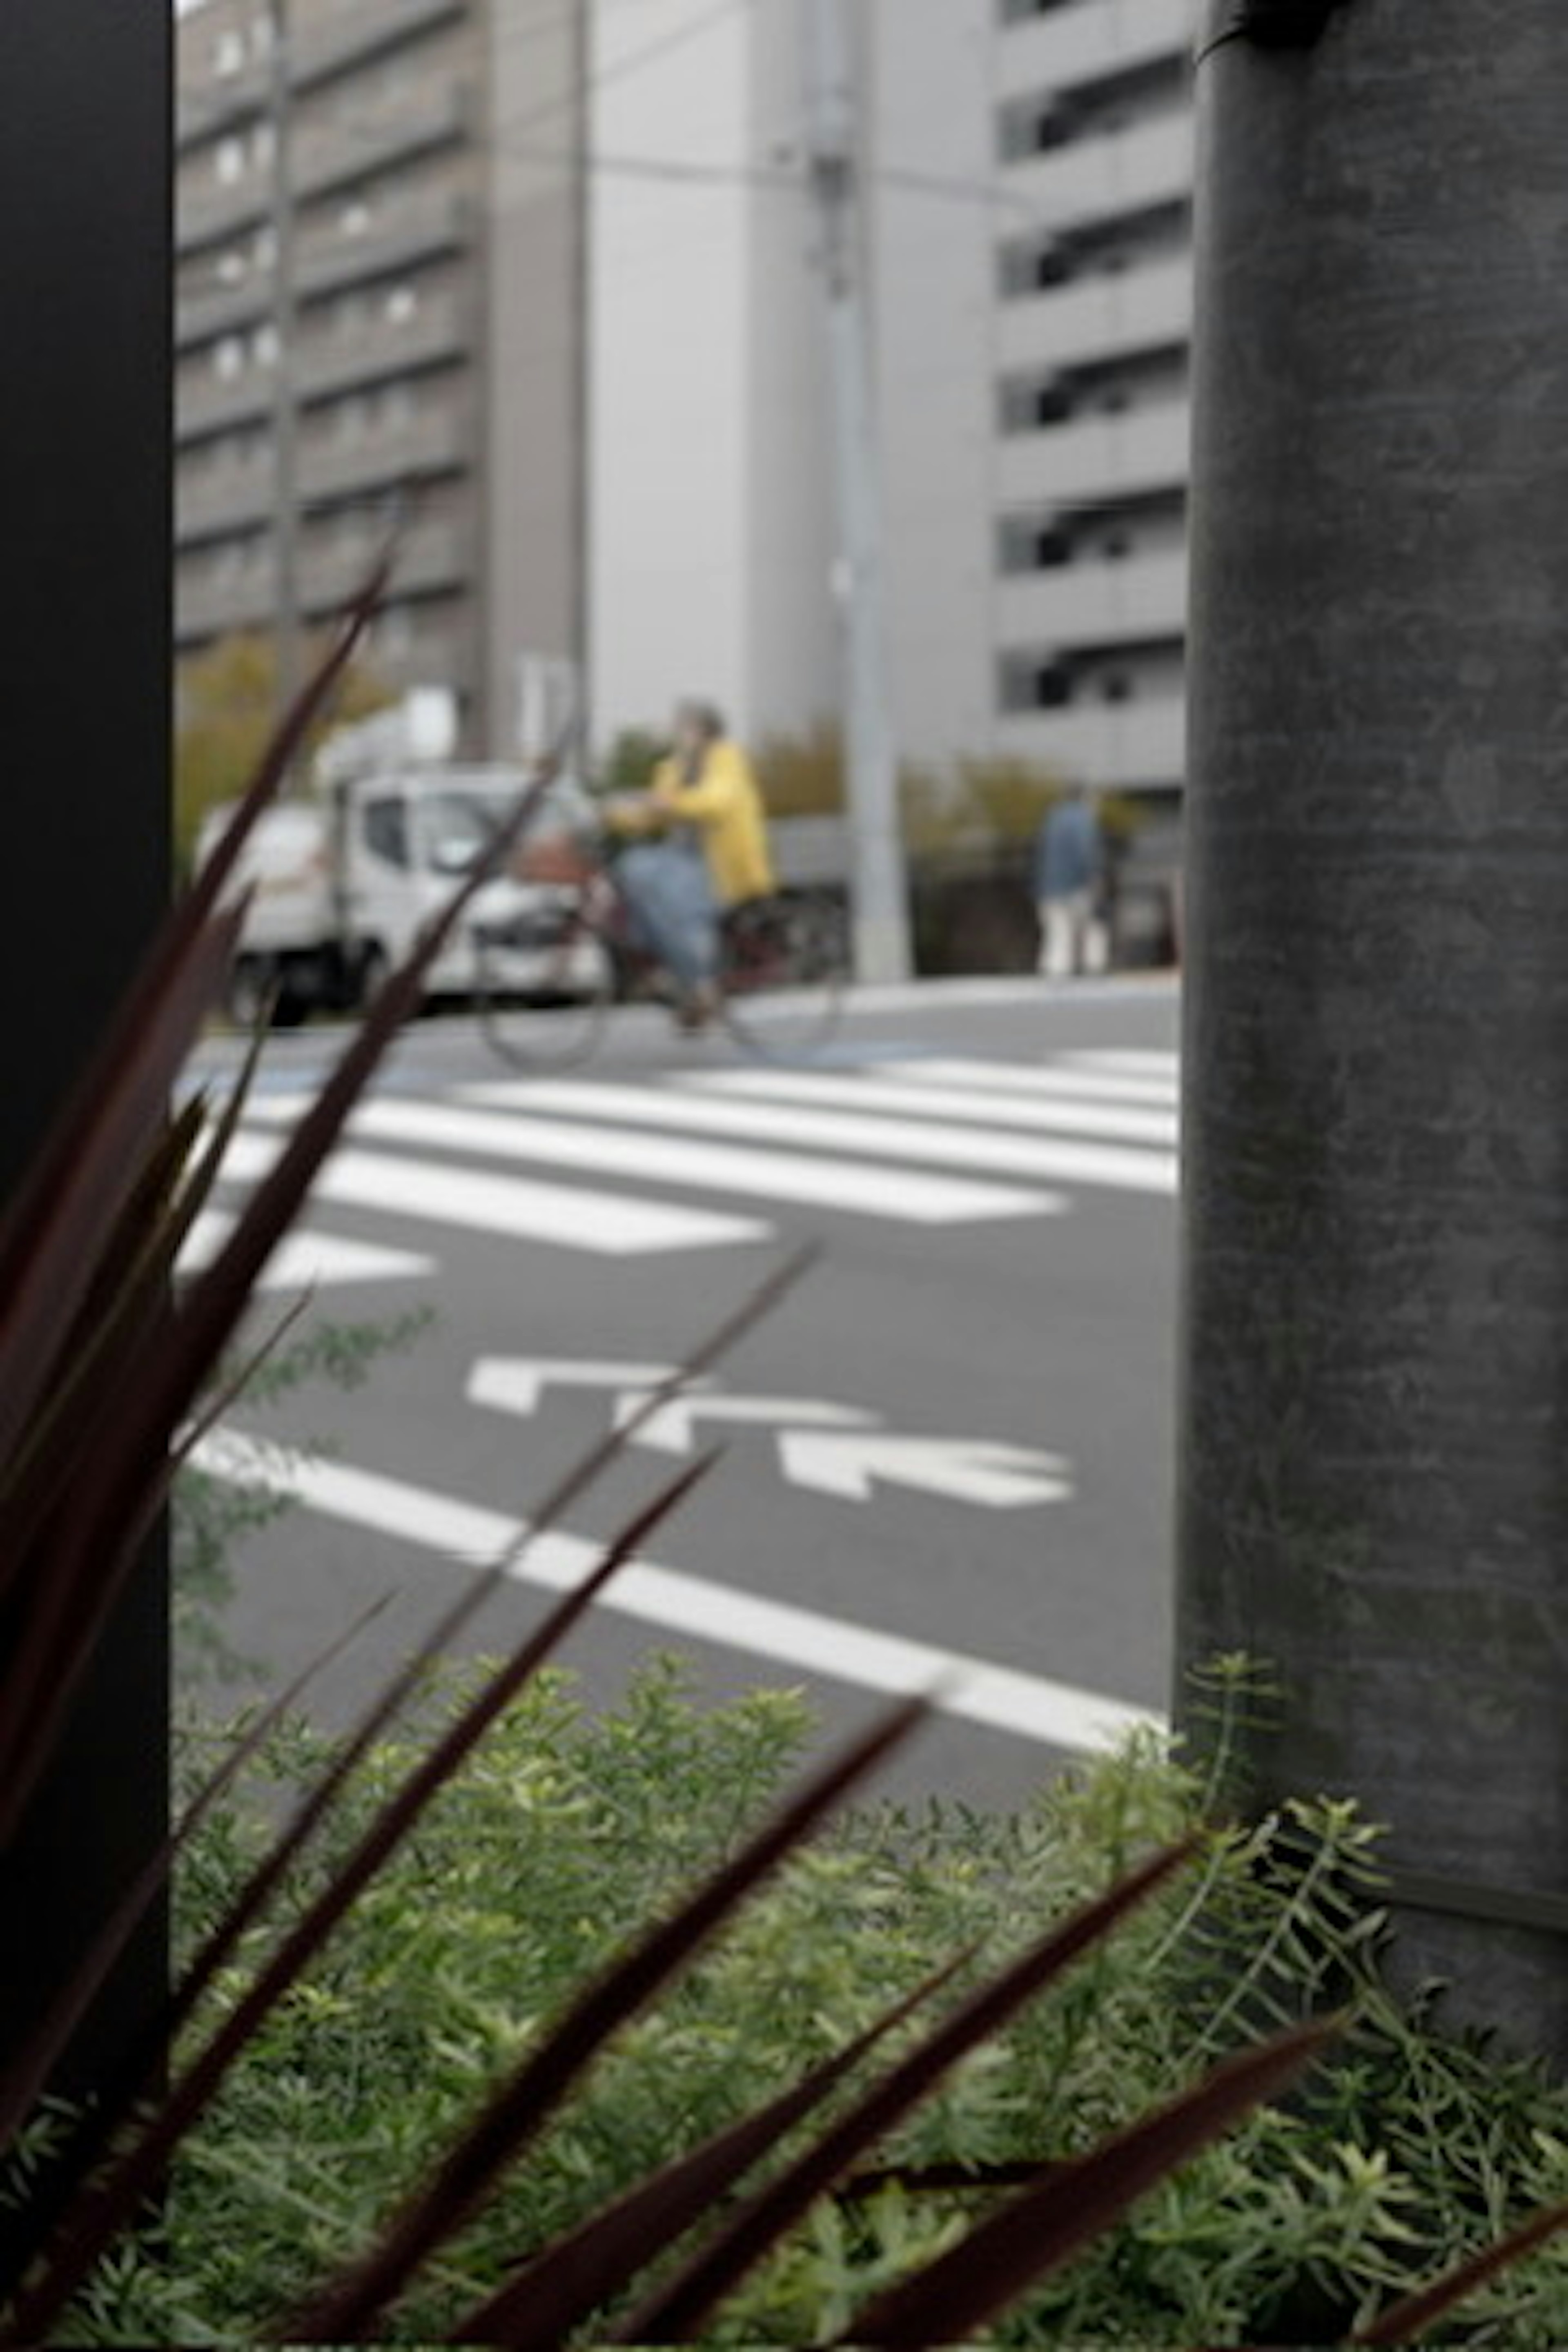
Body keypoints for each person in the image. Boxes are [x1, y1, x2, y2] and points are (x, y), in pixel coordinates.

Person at [607, 700, 776, 1028]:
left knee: (668, 893)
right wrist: (612, 816)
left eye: (687, 728)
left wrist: (670, 801)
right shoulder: (672, 769)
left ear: (706, 732)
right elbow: (650, 815)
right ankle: (663, 967)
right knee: (631, 868)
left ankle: (701, 982)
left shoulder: (728, 761)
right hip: (682, 858)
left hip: (721, 866)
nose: (680, 736)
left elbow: (717, 802)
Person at [1034, 785, 1108, 979]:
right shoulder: (1084, 819)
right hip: (1077, 884)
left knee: (1058, 930)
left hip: (1050, 884)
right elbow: (1087, 852)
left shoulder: (1052, 818)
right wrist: (1094, 878)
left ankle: (1056, 968)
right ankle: (1094, 965)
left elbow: (1040, 854)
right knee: (1093, 925)